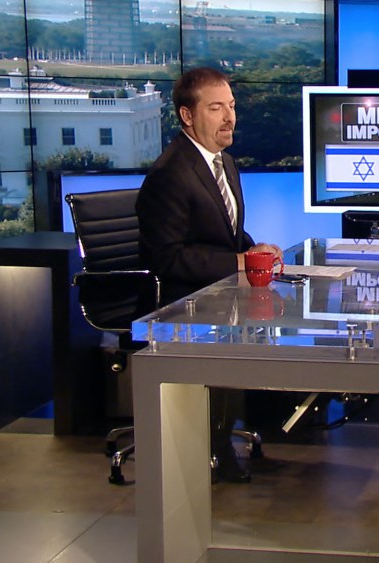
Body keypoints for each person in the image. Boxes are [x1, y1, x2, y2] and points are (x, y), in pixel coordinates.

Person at [137, 67, 281, 483]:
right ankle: (210, 449)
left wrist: (253, 248)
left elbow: (224, 233)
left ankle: (224, 436)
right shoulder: (170, 173)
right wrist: (238, 263)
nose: (229, 117)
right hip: (181, 302)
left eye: (231, 106)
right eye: (216, 108)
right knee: (243, 335)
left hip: (218, 293)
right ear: (187, 115)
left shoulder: (225, 163)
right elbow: (167, 258)